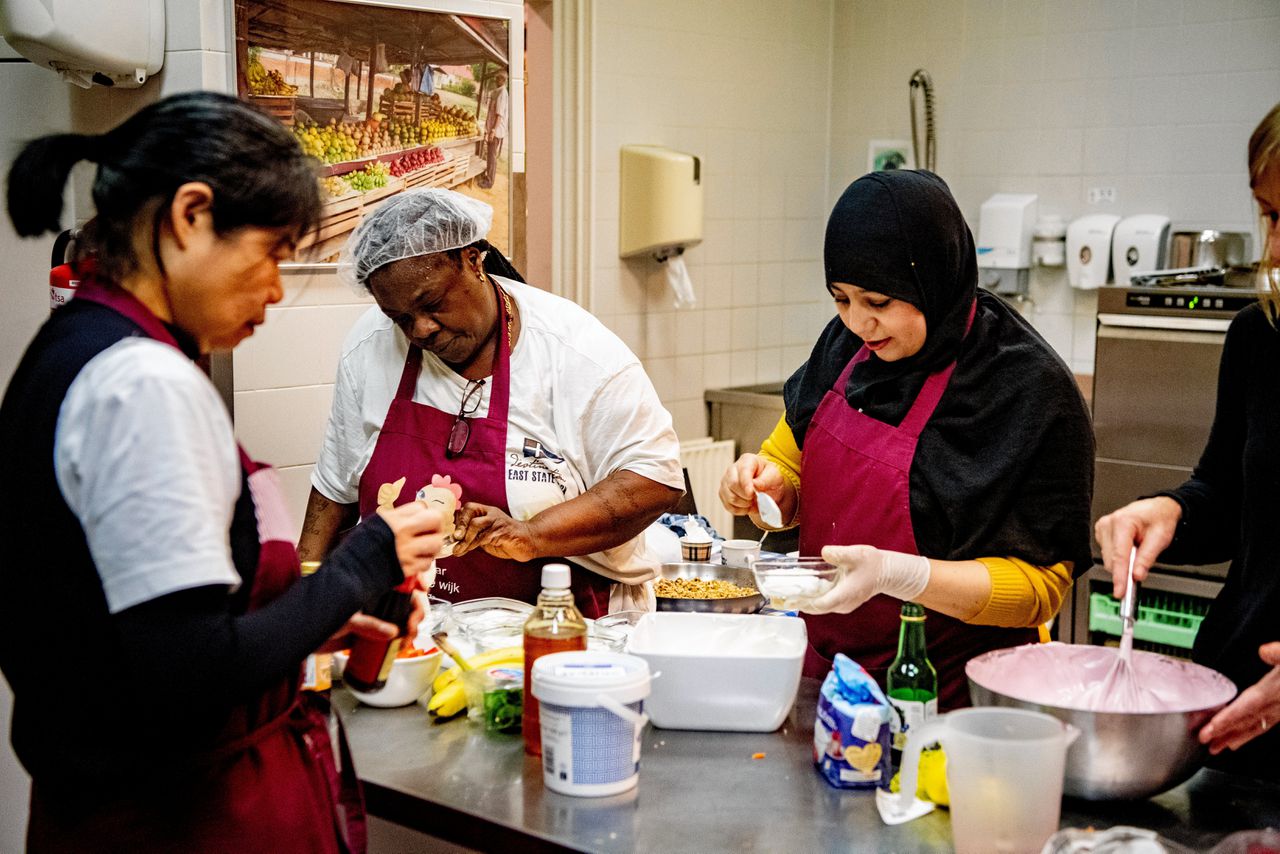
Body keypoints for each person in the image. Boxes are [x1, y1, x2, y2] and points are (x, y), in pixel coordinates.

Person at [0, 92, 444, 852]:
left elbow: (134, 632)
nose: (276, 289)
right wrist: (360, 564)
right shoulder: (144, 384)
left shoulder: (73, 347)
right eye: (271, 252)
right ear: (191, 215)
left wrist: (320, 617)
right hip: (179, 818)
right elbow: (188, 671)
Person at [718, 170, 1095, 708]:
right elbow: (789, 463)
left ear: (935, 279)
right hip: (832, 682)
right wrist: (768, 487)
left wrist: (903, 575)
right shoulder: (848, 346)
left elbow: (1040, 590)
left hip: (956, 698)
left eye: (878, 300)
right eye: (841, 299)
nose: (859, 323)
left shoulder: (1026, 391)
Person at [299, 188, 684, 618]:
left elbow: (654, 481)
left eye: (432, 303)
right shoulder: (371, 345)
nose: (420, 330)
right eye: (401, 318)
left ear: (472, 259)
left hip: (564, 633)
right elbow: (334, 488)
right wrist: (300, 608)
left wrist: (531, 534)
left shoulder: (576, 352)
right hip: (413, 632)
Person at [1095, 102, 1280, 782]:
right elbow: (1232, 503)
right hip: (1230, 724)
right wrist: (1170, 511)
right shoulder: (1261, 337)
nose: (1277, 248)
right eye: (1271, 216)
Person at [478, 71, 508, 190]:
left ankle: (489, 181)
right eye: (496, 79)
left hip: (496, 131)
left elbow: (499, 115)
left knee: (492, 156)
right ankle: (488, 175)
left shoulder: (502, 93)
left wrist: (493, 131)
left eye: (497, 80)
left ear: (502, 80)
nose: (495, 82)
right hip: (492, 129)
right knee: (490, 155)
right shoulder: (498, 92)